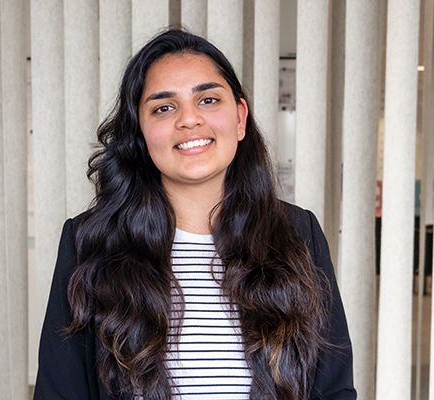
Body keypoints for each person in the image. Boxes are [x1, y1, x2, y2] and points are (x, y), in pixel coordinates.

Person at [34, 29, 356, 400]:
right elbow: (59, 392)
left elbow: (334, 390)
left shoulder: (298, 233)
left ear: (239, 119)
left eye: (208, 99)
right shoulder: (88, 243)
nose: (189, 119)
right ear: (141, 132)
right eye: (163, 107)